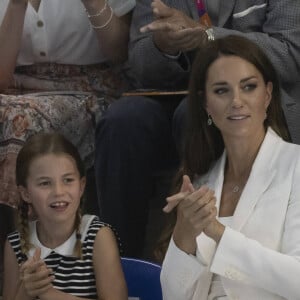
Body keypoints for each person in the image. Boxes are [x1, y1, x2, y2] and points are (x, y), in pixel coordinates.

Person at [94, 0, 300, 258]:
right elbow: (140, 64)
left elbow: (289, 55)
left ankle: (201, 258)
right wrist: (162, 46)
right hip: (173, 91)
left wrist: (209, 37)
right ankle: (120, 266)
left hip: (248, 98)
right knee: (120, 122)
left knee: (193, 116)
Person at [0, 0, 135, 290]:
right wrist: (17, 6)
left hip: (88, 86)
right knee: (15, 114)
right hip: (13, 87)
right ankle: (14, 271)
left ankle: (31, 257)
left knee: (20, 120)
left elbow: (120, 53)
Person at [159, 35, 300, 300]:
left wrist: (217, 232)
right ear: (206, 104)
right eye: (222, 90)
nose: (237, 100)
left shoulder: (296, 166)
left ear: (267, 95)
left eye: (248, 87)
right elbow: (172, 294)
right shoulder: (200, 182)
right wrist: (183, 235)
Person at [2, 132, 127, 300]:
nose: (59, 192)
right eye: (45, 183)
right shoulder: (15, 244)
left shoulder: (98, 237)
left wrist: (46, 292)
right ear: (25, 193)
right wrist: (27, 289)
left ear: (81, 186)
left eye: (68, 180)